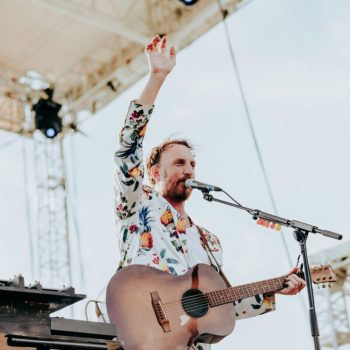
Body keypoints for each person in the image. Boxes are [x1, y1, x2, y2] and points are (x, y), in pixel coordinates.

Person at [114, 35, 306, 349]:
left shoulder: (210, 241)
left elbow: (221, 310)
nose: (188, 169)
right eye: (178, 162)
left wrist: (274, 289)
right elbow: (127, 151)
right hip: (140, 339)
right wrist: (157, 78)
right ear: (153, 172)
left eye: (192, 163)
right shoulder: (138, 204)